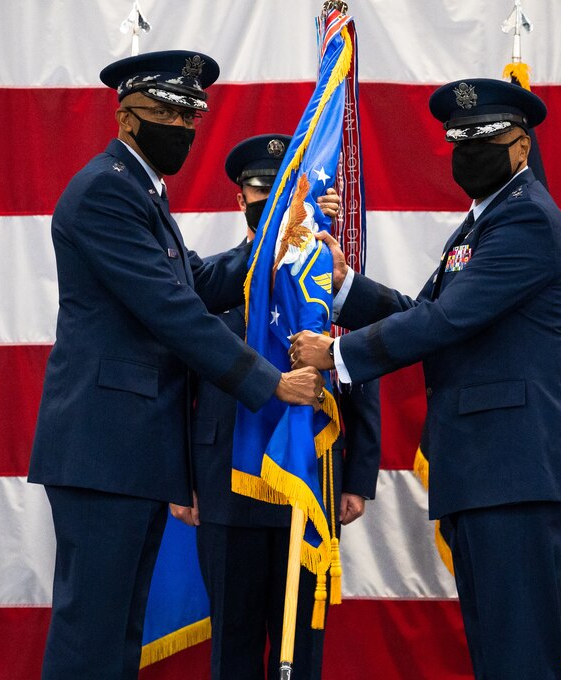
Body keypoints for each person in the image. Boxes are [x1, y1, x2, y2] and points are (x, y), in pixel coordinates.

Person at [289, 79, 561, 679]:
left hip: (517, 471)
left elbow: (449, 319)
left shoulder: (527, 223)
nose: (467, 154)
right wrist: (345, 285)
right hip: (489, 471)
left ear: (521, 146)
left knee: (518, 656)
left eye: (482, 140)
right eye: (458, 141)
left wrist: (337, 355)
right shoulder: (483, 223)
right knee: (497, 655)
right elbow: (426, 310)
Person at [27, 51, 325, 680]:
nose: (182, 128)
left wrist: (273, 242)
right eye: (166, 113)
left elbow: (193, 280)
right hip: (104, 446)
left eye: (191, 117)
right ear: (127, 116)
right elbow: (172, 312)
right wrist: (272, 384)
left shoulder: (140, 190)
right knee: (93, 635)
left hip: (128, 449)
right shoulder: (108, 190)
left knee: (118, 633)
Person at [170, 134, 381, 680]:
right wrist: (178, 480)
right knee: (233, 648)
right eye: (261, 188)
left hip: (308, 479)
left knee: (301, 651)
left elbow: (361, 370)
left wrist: (357, 477)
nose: (270, 198)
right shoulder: (210, 281)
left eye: (285, 188)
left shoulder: (323, 273)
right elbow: (179, 383)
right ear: (241, 197)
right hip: (224, 484)